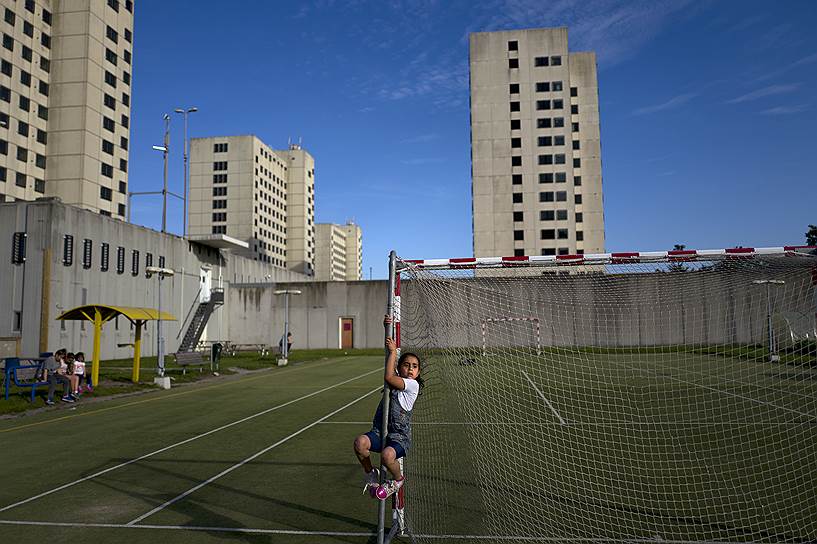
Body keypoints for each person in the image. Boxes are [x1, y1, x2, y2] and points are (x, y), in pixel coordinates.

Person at [353, 315, 422, 501]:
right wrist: (387, 327)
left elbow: (389, 377)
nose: (410, 369)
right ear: (400, 368)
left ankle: (398, 480)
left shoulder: (412, 386)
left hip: (399, 437)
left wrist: (393, 353)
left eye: (414, 367)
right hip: (380, 431)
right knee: (360, 443)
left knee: (387, 455)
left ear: (418, 372)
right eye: (406, 365)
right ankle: (371, 473)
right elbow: (391, 375)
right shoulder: (398, 382)